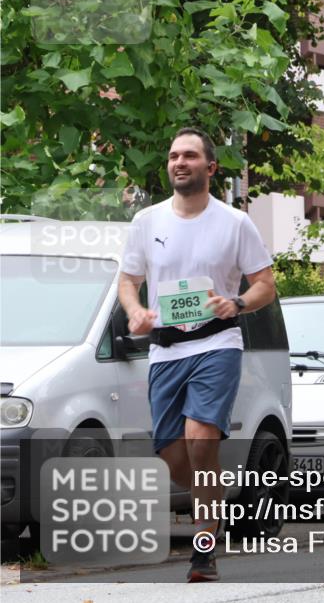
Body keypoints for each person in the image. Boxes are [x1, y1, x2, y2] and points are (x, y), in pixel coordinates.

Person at [118, 127, 275, 582]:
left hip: (217, 342)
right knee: (173, 455)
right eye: (172, 156)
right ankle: (217, 496)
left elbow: (265, 283)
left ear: (210, 167)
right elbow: (128, 281)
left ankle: (203, 549)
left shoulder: (234, 222)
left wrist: (238, 303)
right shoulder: (147, 222)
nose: (179, 163)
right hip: (166, 351)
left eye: (189, 156)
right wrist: (135, 312)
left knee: (201, 438)